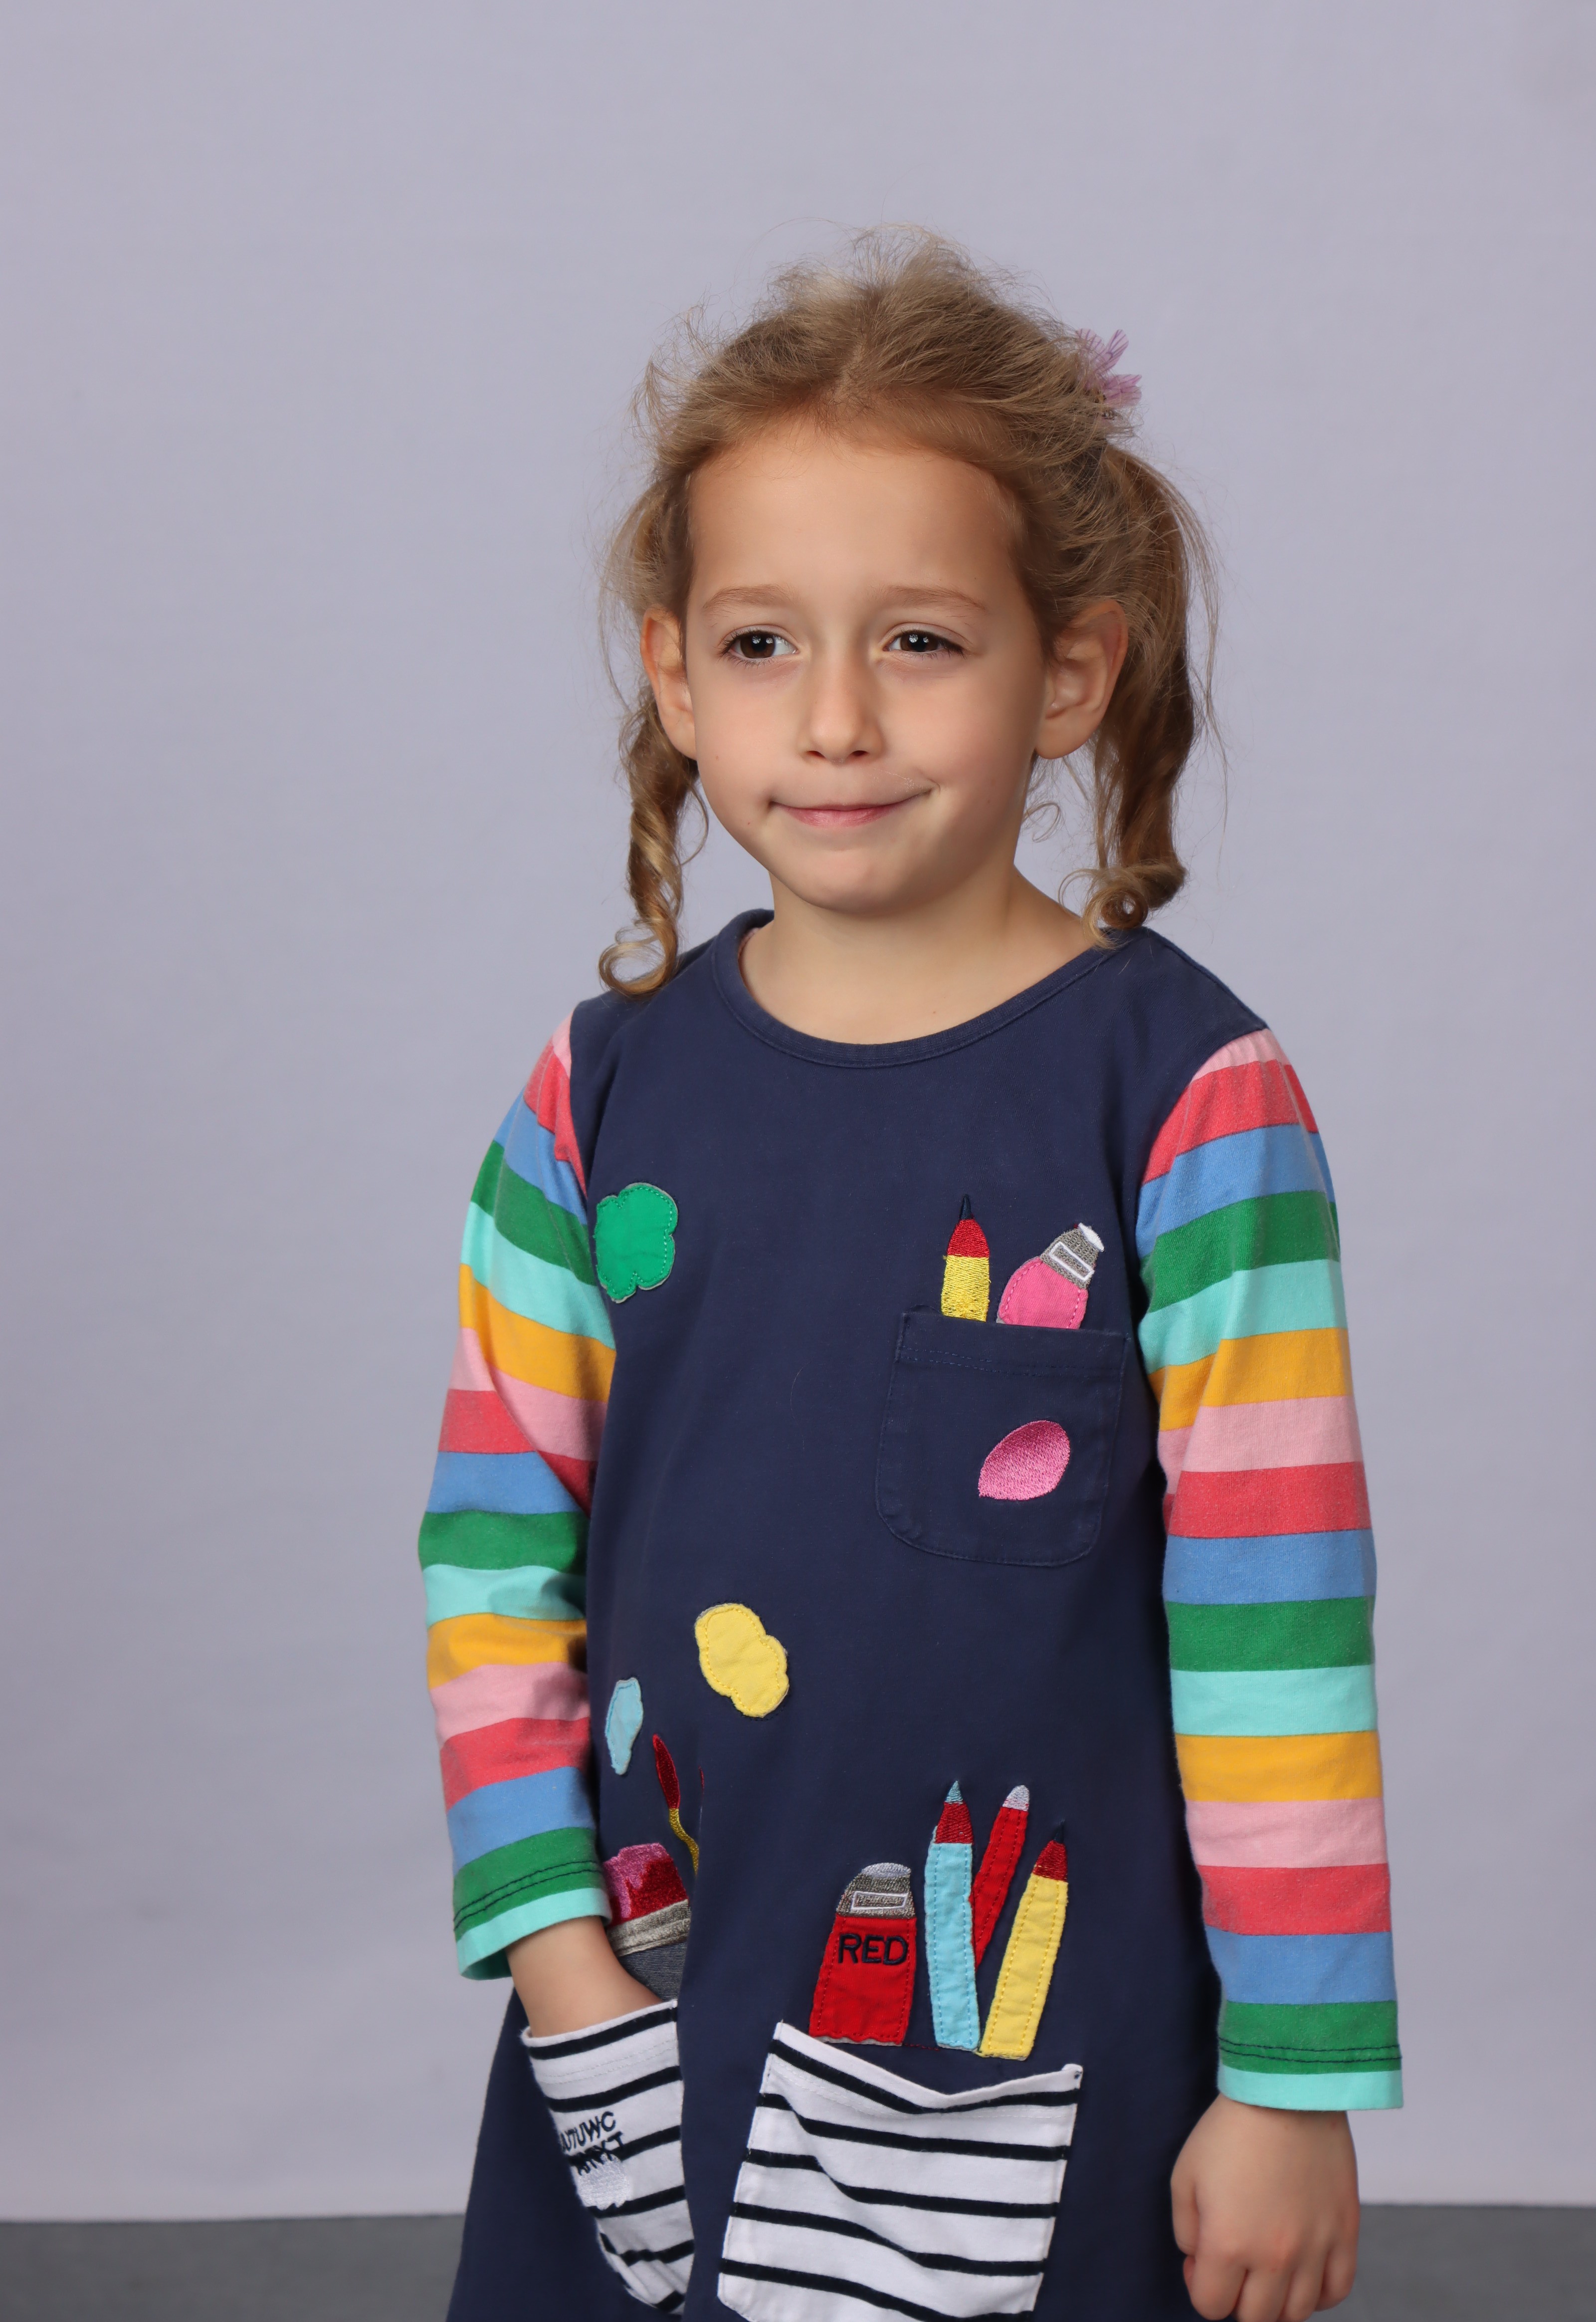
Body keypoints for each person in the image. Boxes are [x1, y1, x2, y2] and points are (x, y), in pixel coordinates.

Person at [420, 233, 1399, 2322]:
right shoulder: (590, 1099)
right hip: (640, 2014)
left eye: (924, 641)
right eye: (763, 643)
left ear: (1071, 671)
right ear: (674, 675)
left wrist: (1291, 2082)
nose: (838, 719)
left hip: (1047, 2052)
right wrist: (560, 1961)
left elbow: (1276, 1624)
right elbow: (492, 1557)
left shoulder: (1186, 1103)